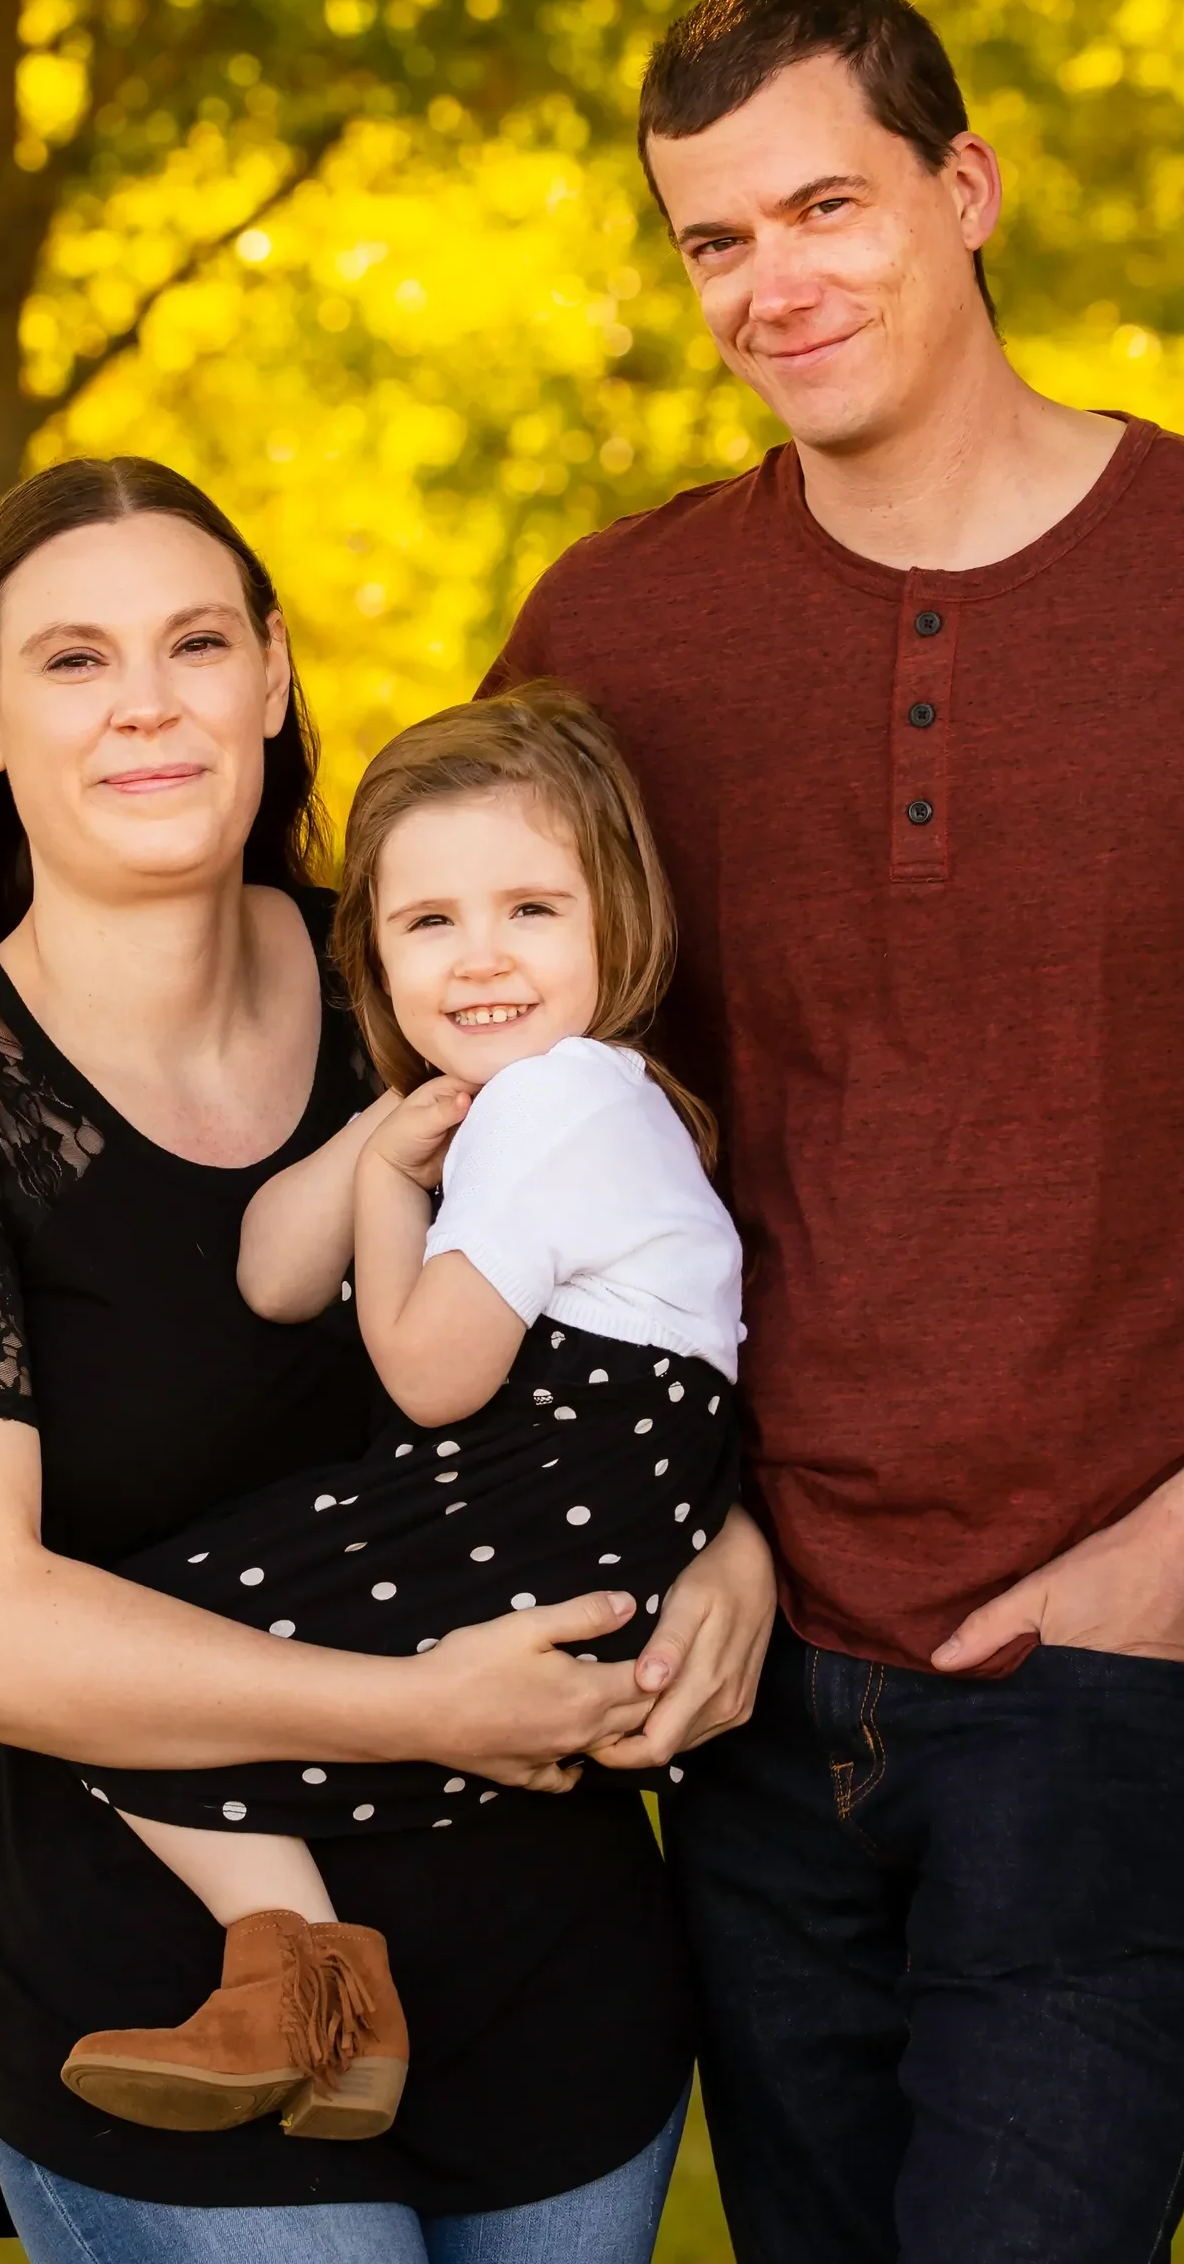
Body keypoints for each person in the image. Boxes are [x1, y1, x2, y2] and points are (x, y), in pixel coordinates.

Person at [491, 0, 1184, 2264]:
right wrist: (709, 1528)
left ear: (964, 195)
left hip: (1135, 1673)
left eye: (826, 205)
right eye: (710, 240)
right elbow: (548, 1141)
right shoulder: (612, 630)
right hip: (753, 1656)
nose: (774, 282)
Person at [0, 456, 777, 2264]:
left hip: (540, 1927)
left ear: (270, 677)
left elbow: (641, 1299)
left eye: (194, 643)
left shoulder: (435, 972)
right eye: (77, 660)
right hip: (151, 1956)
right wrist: (424, 1706)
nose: (148, 701)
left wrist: (723, 1537)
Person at [52, 686, 743, 2142]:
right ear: (371, 947)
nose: (479, 956)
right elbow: (267, 1272)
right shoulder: (547, 1101)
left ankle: (305, 1983)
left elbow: (432, 1375)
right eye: (427, 923)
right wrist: (393, 1127)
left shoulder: (557, 1103)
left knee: (143, 1650)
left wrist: (385, 1189)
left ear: (619, 918)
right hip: (587, 1486)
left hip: (547, 1471)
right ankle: (308, 1988)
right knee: (169, 1667)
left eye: (532, 911)